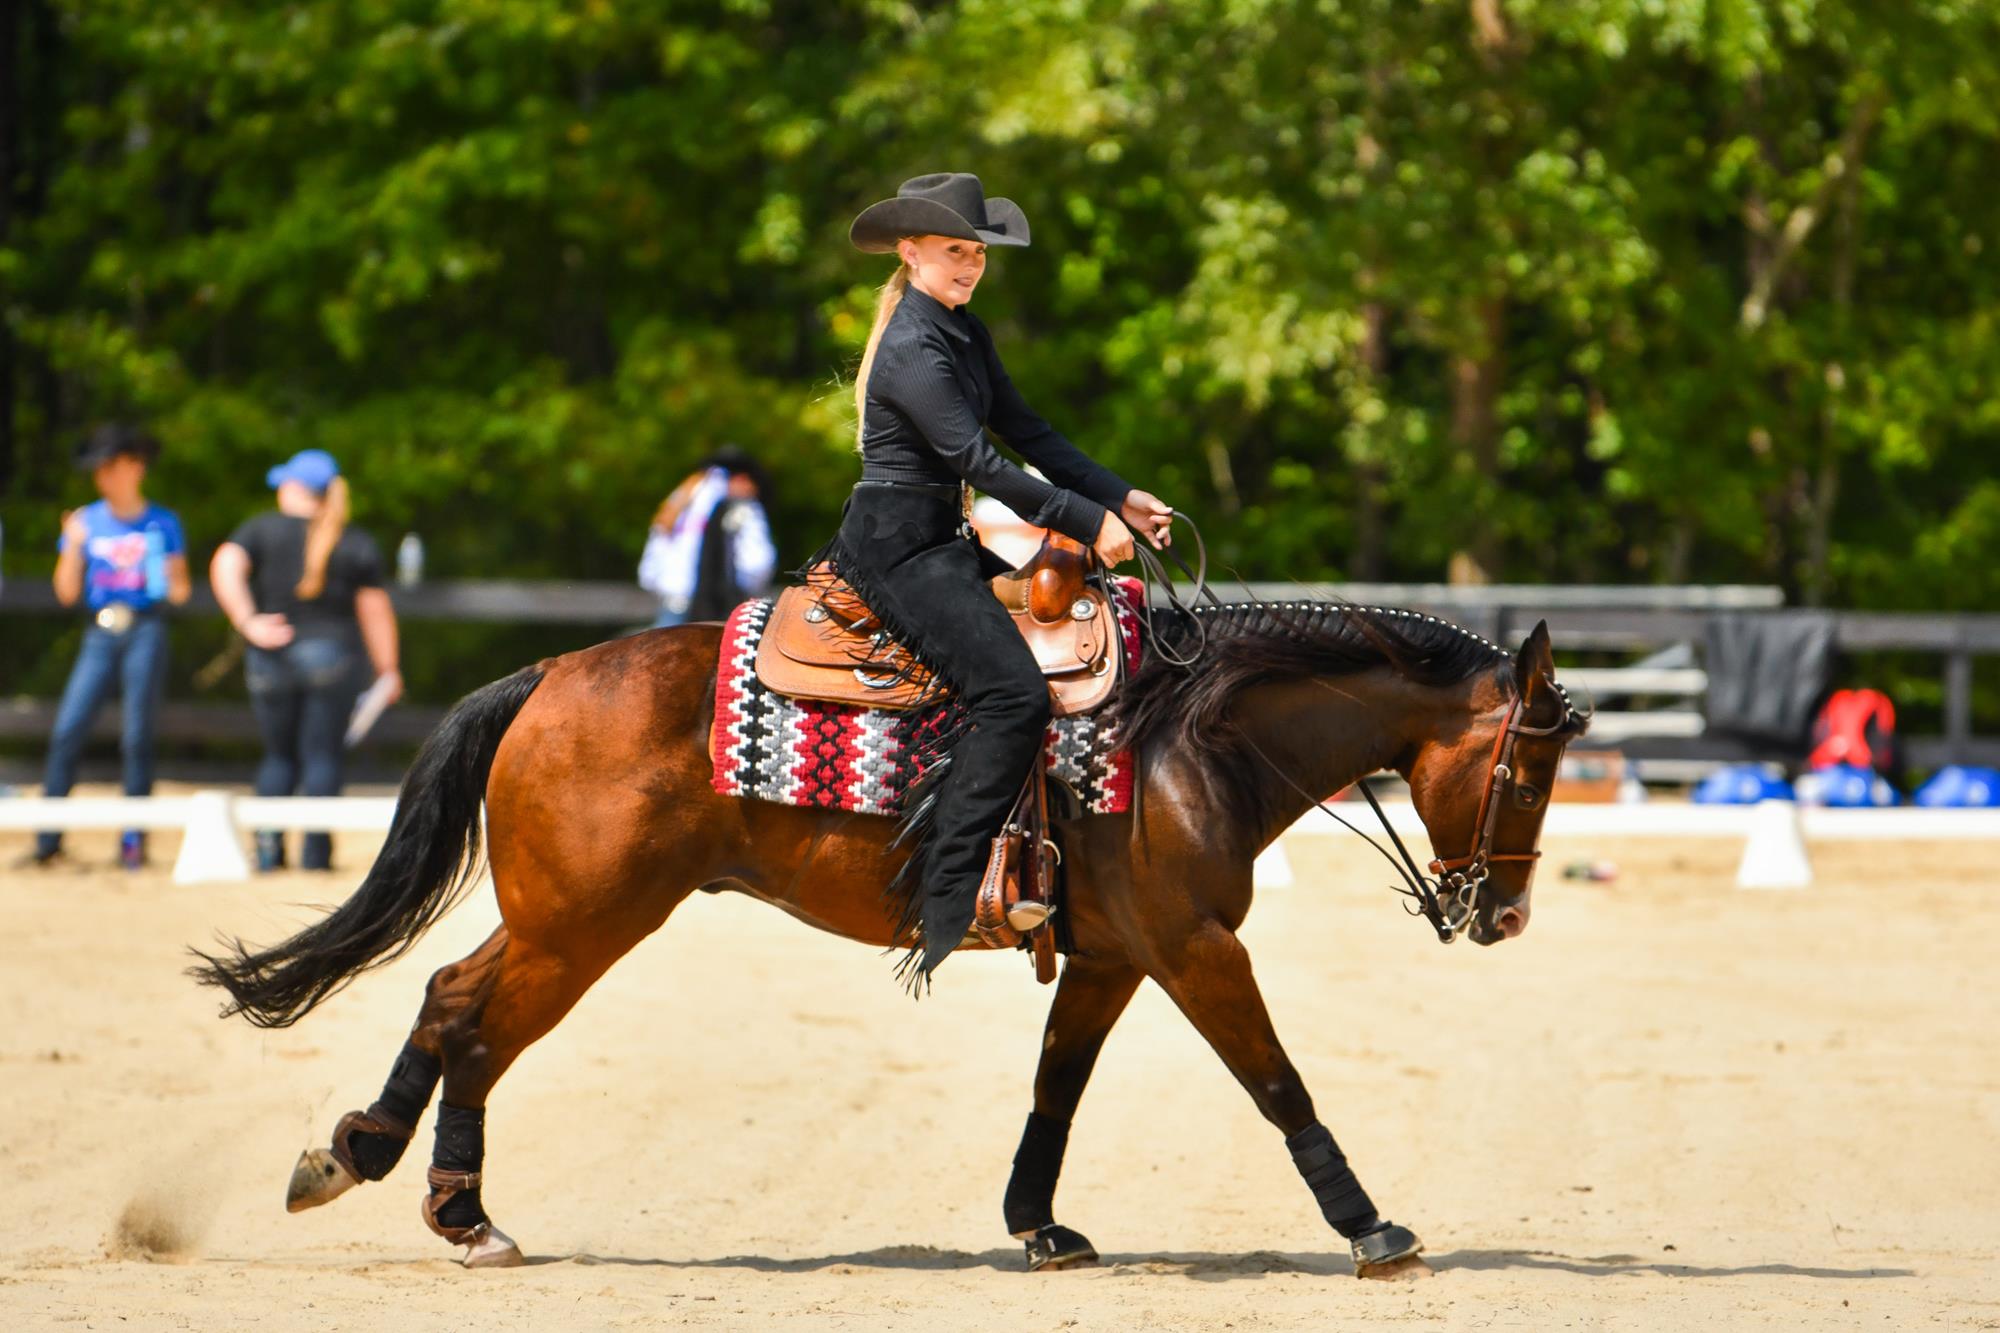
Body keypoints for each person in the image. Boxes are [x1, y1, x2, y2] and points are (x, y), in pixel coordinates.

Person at [827, 171, 1175, 980]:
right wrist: (1090, 523)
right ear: (910, 253)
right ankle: (948, 892)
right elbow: (975, 459)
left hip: (939, 539)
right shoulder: (913, 345)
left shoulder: (963, 331)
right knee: (1012, 692)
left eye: (976, 253)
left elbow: (1029, 432)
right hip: (894, 547)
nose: (969, 265)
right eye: (954, 252)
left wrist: (1120, 493)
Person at [209, 449, 401, 871]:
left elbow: (224, 565)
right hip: (331, 657)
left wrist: (248, 621)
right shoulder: (355, 541)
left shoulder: (260, 529)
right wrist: (388, 670)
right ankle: (316, 856)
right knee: (322, 756)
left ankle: (268, 852)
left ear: (296, 488)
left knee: (278, 757)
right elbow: (375, 612)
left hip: (269, 655)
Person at [30, 424, 191, 869]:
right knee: (67, 729)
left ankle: (132, 842)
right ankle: (48, 839)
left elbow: (179, 591)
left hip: (145, 628)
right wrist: (73, 547)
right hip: (99, 631)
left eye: (109, 467)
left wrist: (158, 569)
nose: (101, 476)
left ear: (133, 468)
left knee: (138, 735)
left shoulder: (163, 522)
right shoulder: (86, 521)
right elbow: (65, 592)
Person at [638, 446, 779, 627]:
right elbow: (758, 562)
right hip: (721, 603)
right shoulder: (741, 506)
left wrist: (659, 584)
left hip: (677, 598)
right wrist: (746, 588)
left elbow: (658, 542)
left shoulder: (684, 497)